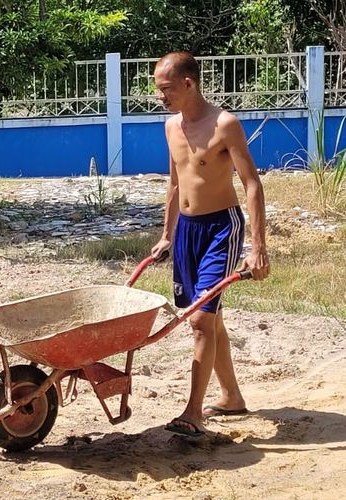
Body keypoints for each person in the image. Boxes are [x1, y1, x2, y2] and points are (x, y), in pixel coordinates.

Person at [150, 52, 270, 437]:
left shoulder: (225, 125)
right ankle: (231, 396)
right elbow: (174, 184)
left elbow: (252, 183)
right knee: (206, 317)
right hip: (187, 230)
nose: (160, 97)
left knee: (201, 320)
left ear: (188, 83)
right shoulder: (171, 127)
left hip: (221, 227)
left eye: (166, 89)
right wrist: (167, 234)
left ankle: (193, 412)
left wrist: (258, 247)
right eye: (158, 90)